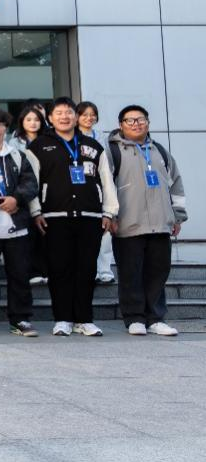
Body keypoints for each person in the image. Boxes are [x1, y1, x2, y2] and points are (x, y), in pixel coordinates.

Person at [28, 97, 118, 336]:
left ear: (76, 117)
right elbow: (31, 182)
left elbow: (106, 180)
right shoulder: (39, 146)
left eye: (68, 112)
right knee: (59, 269)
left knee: (86, 269)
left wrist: (109, 211)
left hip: (90, 216)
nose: (64, 117)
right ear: (50, 118)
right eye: (58, 113)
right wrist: (35, 211)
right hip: (54, 217)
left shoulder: (93, 146)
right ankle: (63, 319)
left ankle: (84, 319)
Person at [109, 105, 187, 336]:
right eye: (130, 120)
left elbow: (176, 184)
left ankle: (155, 318)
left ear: (148, 123)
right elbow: (106, 186)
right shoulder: (113, 151)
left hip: (161, 224)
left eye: (140, 119)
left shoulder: (159, 151)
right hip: (128, 224)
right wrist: (110, 215)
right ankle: (134, 318)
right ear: (121, 124)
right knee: (130, 274)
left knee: (158, 272)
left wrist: (178, 216)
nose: (136, 124)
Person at [0, 109, 41, 337]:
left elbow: (30, 183)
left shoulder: (17, 154)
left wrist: (16, 199)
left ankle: (20, 319)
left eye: (0, 124)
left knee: (20, 275)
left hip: (17, 226)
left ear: (6, 128)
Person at [77, 100, 116, 284]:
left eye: (92, 115)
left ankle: (105, 269)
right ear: (77, 117)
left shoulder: (101, 136)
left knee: (104, 229)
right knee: (85, 233)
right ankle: (90, 269)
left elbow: (109, 164)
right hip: (79, 187)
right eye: (84, 114)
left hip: (99, 185)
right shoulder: (72, 136)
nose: (89, 118)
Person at [12, 102, 51, 285]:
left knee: (46, 231)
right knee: (29, 232)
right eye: (28, 119)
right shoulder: (14, 142)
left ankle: (46, 269)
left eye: (36, 119)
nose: (33, 123)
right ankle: (33, 271)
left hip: (47, 190)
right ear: (22, 121)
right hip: (24, 190)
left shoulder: (48, 140)